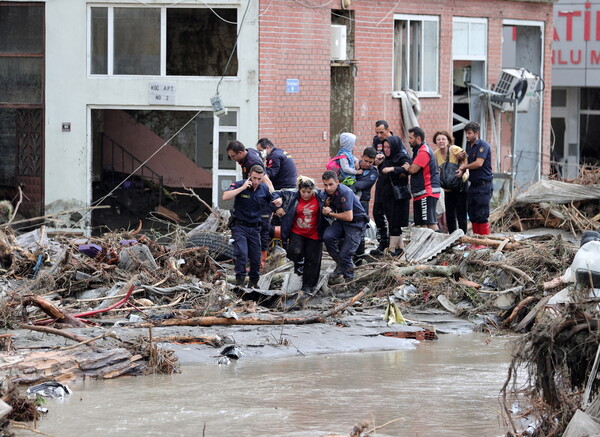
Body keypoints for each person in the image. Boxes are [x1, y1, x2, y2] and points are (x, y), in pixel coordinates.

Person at [222, 165, 277, 288]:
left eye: (259, 179)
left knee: (255, 256)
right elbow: (225, 197)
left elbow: (272, 201)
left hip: (255, 227)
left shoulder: (263, 189)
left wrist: (278, 206)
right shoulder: (239, 184)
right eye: (254, 178)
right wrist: (242, 188)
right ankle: (240, 282)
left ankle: (253, 282)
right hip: (240, 226)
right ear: (249, 176)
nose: (256, 182)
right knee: (242, 253)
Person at [274, 176, 326, 293]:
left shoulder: (320, 196)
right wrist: (278, 207)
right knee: (294, 251)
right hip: (297, 231)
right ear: (299, 189)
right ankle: (298, 263)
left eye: (309, 192)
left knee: (312, 260)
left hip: (314, 233)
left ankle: (307, 287)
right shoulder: (292, 194)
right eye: (303, 192)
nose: (306, 195)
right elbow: (275, 194)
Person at [227, 140, 273, 265]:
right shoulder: (249, 152)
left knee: (263, 229)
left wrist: (272, 200)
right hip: (250, 195)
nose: (231, 159)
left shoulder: (253, 162)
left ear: (241, 153)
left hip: (260, 199)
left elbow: (266, 181)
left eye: (232, 156)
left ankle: (261, 260)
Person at [321, 170, 368, 282]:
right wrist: (327, 205)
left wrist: (329, 213)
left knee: (345, 254)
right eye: (325, 185)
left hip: (356, 223)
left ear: (337, 182)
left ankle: (350, 282)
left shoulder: (344, 192)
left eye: (331, 184)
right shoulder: (329, 192)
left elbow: (349, 216)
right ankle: (341, 266)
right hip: (342, 222)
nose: (328, 188)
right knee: (328, 236)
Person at [456, 121, 493, 235]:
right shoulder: (469, 145)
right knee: (472, 213)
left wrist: (464, 167)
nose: (467, 136)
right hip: (473, 184)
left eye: (469, 133)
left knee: (481, 214)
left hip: (483, 184)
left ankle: (484, 241)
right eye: (466, 133)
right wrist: (461, 160)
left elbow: (478, 163)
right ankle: (475, 240)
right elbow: (467, 160)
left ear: (476, 133)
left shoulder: (483, 146)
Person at [400, 127, 441, 230]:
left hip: (427, 191)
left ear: (418, 139)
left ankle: (441, 244)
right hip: (420, 192)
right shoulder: (417, 150)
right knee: (422, 224)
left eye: (411, 138)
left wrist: (406, 168)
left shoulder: (424, 151)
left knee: (430, 222)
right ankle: (426, 245)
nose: (409, 140)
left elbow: (413, 169)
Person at [377, 136, 412, 256]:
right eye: (384, 147)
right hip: (387, 196)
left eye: (388, 147)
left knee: (395, 223)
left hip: (398, 197)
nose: (386, 150)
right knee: (392, 222)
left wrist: (393, 169)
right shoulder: (386, 158)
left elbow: (407, 168)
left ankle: (391, 250)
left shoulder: (402, 156)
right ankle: (401, 248)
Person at [433, 130, 468, 234]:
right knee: (449, 213)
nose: (441, 141)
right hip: (448, 187)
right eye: (438, 139)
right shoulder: (435, 154)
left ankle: (463, 237)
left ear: (448, 141)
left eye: (443, 139)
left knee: (461, 212)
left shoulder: (454, 149)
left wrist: (462, 170)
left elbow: (465, 159)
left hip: (460, 184)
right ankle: (452, 237)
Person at [371, 120, 394, 255]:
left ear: (388, 130)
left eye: (381, 132)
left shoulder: (395, 141)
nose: (379, 135)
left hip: (391, 181)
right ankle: (382, 241)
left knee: (390, 213)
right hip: (381, 178)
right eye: (377, 132)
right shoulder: (376, 141)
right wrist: (376, 160)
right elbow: (372, 157)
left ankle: (393, 242)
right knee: (377, 211)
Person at [353, 147, 379, 262]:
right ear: (362, 157)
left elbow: (360, 185)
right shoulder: (354, 165)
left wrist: (351, 181)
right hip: (349, 202)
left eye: (370, 162)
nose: (367, 164)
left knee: (360, 229)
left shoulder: (373, 172)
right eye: (366, 161)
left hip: (362, 203)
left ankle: (359, 256)